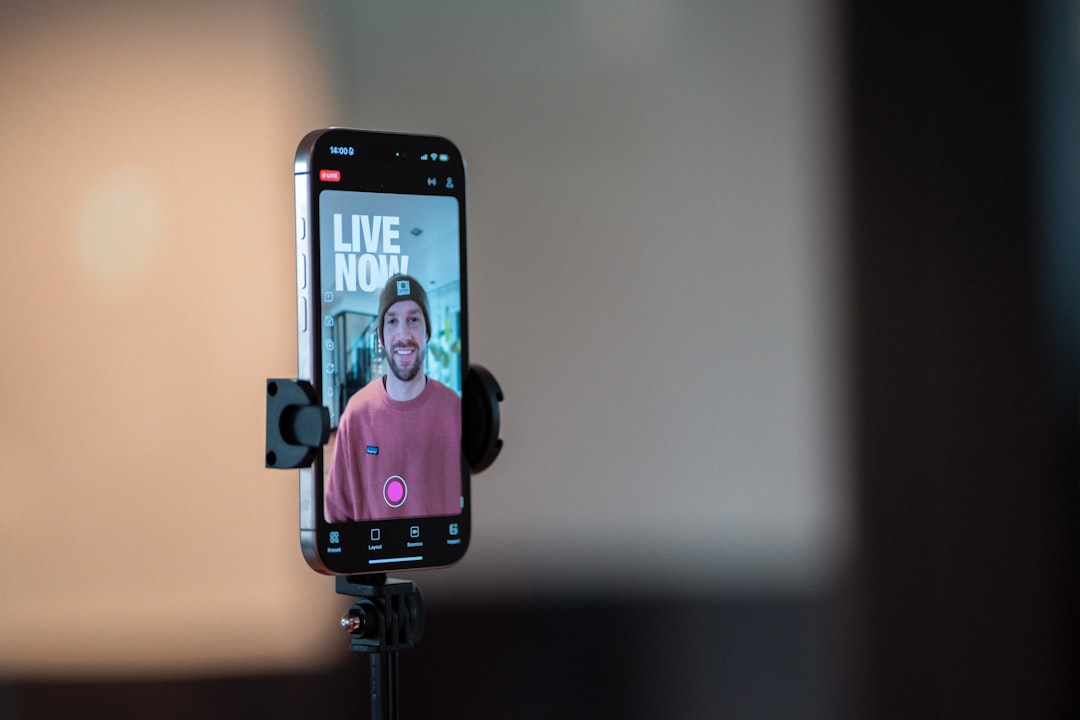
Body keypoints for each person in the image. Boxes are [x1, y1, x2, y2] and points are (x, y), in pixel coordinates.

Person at [325, 274, 462, 522]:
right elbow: (338, 516)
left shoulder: (455, 410)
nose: (403, 334)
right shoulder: (356, 414)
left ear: (427, 332)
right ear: (381, 336)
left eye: (413, 320)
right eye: (392, 321)